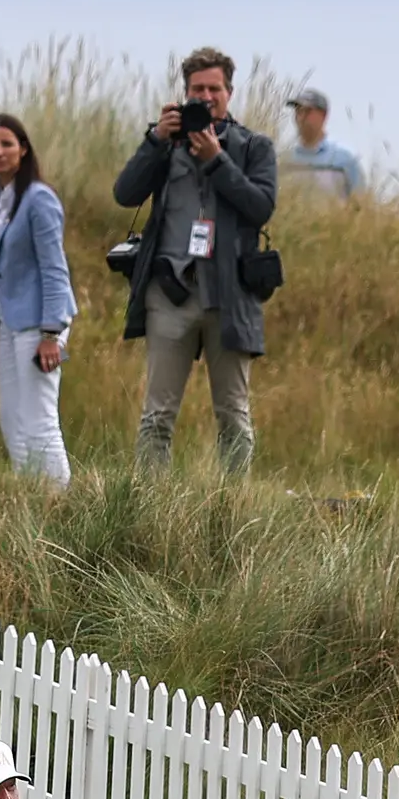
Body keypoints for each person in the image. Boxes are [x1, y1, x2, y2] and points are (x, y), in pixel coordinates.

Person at [112, 46, 279, 476]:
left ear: (229, 92)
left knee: (233, 413)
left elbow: (260, 206)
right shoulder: (164, 143)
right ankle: (151, 507)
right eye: (196, 89)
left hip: (229, 293)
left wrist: (216, 160)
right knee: (157, 414)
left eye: (214, 88)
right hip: (171, 291)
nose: (205, 97)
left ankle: (233, 508)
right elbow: (125, 194)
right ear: (184, 93)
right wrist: (155, 142)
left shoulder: (253, 147)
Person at [0, 114, 74, 489]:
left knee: (39, 418)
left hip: (42, 321)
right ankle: (32, 500)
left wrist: (51, 332)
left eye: (6, 144)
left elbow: (54, 269)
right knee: (12, 417)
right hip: (12, 321)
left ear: (23, 149)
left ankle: (60, 506)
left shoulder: (39, 199)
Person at [281, 88, 365, 201]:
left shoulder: (344, 158)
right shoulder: (284, 159)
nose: (301, 117)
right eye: (298, 111)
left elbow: (361, 202)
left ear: (324, 115)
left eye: (307, 111)